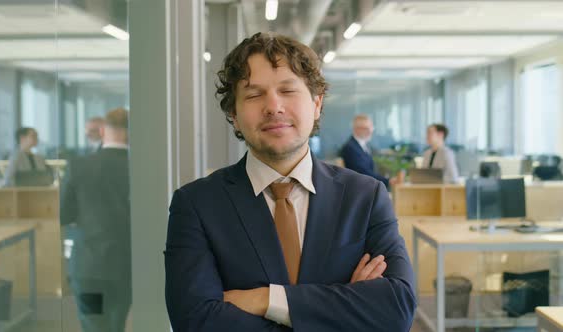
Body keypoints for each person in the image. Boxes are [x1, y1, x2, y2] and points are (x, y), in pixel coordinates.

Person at [165, 32, 415, 331]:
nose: (273, 107)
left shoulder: (366, 196)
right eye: (254, 94)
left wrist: (265, 300)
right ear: (233, 113)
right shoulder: (196, 205)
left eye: (288, 90)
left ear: (317, 104)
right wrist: (347, 310)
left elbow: (397, 309)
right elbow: (195, 321)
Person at [60, 108, 131, 332]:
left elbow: (65, 214)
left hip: (88, 265)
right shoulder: (141, 167)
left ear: (102, 131)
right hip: (125, 265)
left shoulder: (78, 165)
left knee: (93, 325)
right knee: (116, 324)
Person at [340, 114, 395, 188]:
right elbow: (363, 173)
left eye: (371, 128)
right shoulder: (350, 148)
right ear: (356, 129)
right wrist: (387, 181)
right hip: (359, 190)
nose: (370, 131)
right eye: (366, 128)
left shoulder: (363, 145)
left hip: (367, 187)